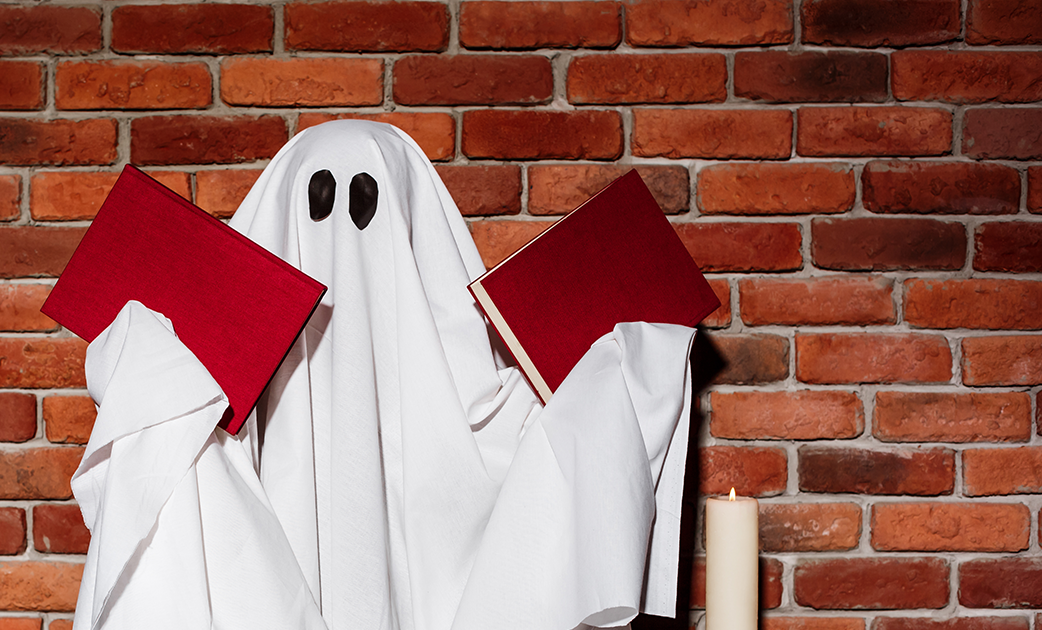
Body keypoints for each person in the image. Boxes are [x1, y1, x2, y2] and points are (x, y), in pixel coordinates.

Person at [72, 120, 696, 630]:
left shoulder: (489, 403)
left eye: (365, 205)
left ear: (406, 219)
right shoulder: (207, 399)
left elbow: (543, 488)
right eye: (320, 205)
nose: (344, 245)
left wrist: (620, 363)